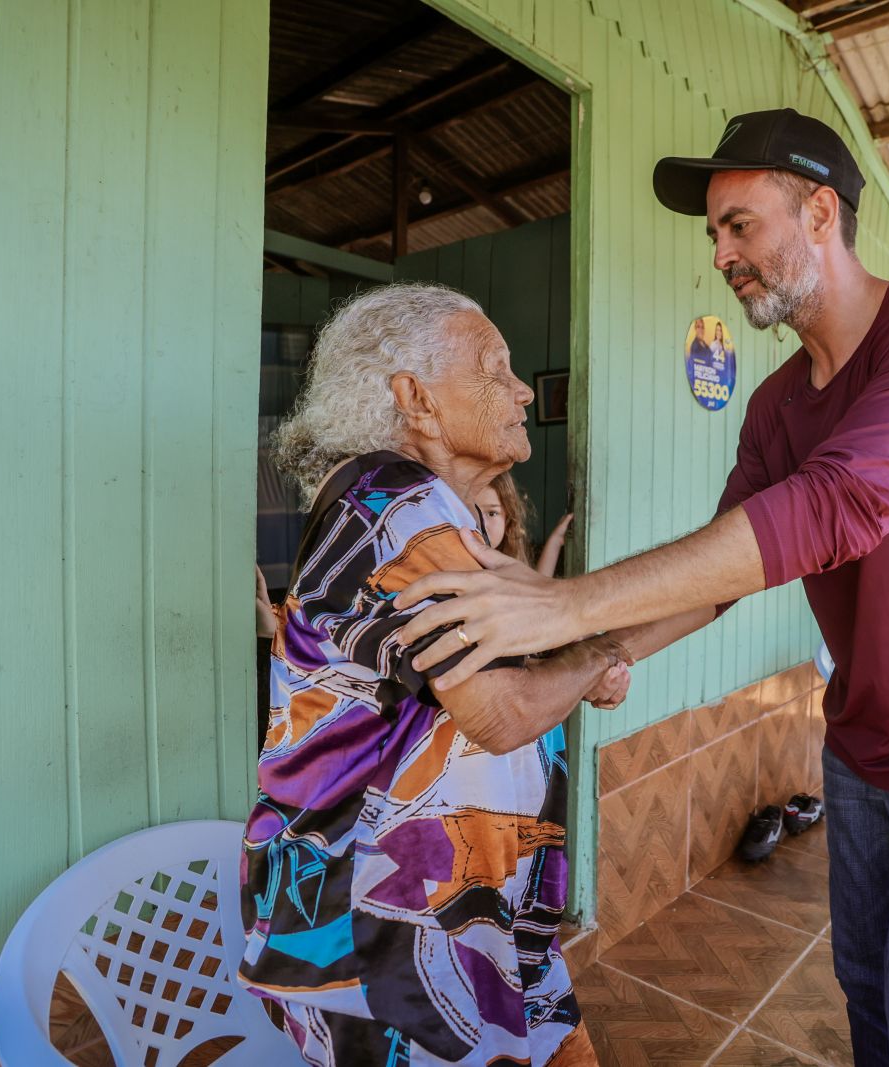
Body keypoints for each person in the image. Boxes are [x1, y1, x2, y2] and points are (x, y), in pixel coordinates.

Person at [392, 109, 889, 1066]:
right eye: (714, 232)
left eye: (739, 225)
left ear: (820, 213)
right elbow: (718, 581)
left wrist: (567, 603)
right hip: (864, 737)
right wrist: (600, 652)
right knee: (869, 996)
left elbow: (836, 507)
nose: (720, 254)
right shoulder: (777, 404)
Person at [238, 283, 629, 1067]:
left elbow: (483, 682)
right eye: (495, 366)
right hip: (393, 947)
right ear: (414, 399)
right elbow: (499, 711)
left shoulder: (426, 510)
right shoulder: (395, 503)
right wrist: (594, 655)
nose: (521, 390)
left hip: (467, 918)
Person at [477, 472, 574, 577]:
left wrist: (555, 540)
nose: (481, 525)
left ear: (508, 518)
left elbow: (536, 585)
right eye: (469, 513)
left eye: (492, 513)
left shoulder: (509, 565)